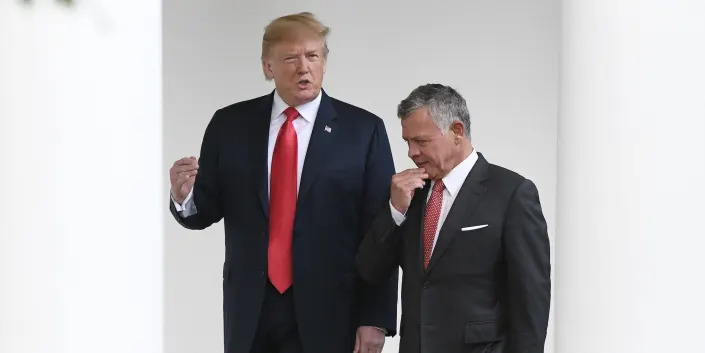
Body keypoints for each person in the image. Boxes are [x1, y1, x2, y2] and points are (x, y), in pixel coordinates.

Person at [168, 12, 397, 353]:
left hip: (332, 310)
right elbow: (206, 210)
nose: (303, 67)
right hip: (251, 309)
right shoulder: (230, 125)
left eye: (312, 56)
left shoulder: (363, 131)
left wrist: (375, 317)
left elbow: (382, 230)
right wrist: (184, 197)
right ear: (267, 67)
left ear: (324, 62)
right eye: (290, 58)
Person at [356, 84, 551, 353]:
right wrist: (394, 211)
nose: (412, 152)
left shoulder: (512, 193)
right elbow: (370, 270)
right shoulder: (408, 195)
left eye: (421, 141)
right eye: (407, 142)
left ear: (457, 131)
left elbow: (531, 301)